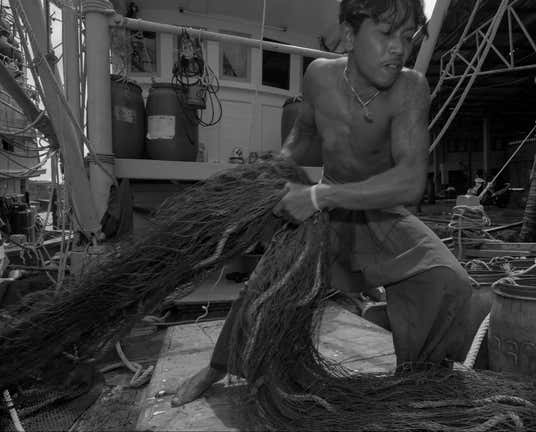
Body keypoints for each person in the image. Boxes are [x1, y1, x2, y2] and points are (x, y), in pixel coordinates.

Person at [171, 0, 472, 406]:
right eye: (385, 34)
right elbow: (305, 132)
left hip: (380, 208)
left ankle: (418, 381)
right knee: (268, 282)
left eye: (407, 37)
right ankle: (218, 366)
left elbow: (408, 181)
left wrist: (317, 196)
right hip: (328, 209)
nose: (399, 48)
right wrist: (281, 162)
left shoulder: (411, 88)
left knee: (445, 279)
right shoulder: (318, 77)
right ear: (349, 35)